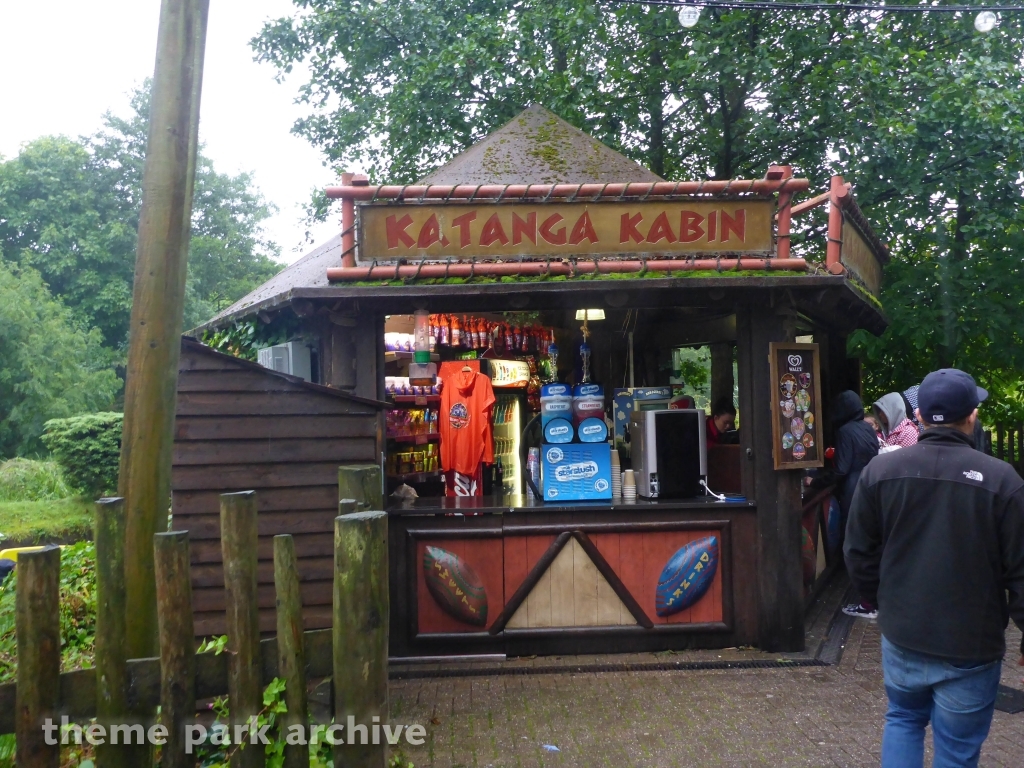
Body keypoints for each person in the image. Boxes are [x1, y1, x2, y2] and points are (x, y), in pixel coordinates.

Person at [845, 368, 1024, 768]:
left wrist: (884, 600)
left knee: (903, 718)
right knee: (956, 751)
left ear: (920, 415)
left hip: (903, 633)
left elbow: (857, 552)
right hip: (970, 641)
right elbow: (1020, 570)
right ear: (972, 416)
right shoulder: (1003, 482)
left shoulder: (879, 472)